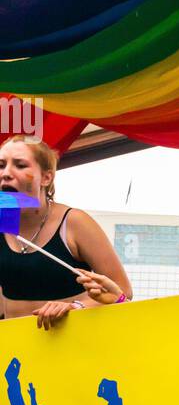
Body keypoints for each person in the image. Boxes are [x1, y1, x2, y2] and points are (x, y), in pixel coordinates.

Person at [0, 136, 132, 328]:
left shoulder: (74, 222)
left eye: (20, 165)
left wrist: (75, 306)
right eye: (1, 165)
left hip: (74, 347)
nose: (6, 173)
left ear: (46, 177)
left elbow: (123, 292)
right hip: (16, 352)